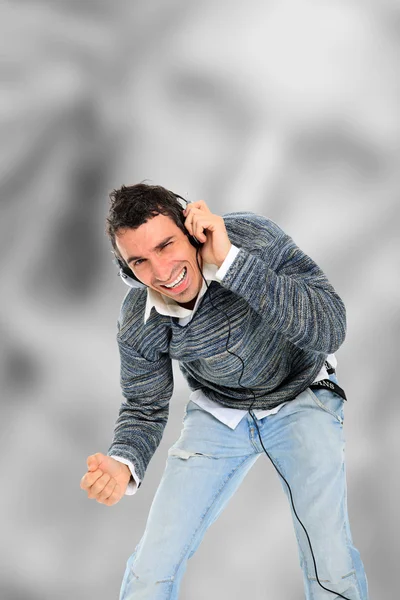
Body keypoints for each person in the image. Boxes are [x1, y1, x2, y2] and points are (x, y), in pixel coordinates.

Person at [80, 182, 369, 599]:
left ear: (191, 227)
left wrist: (233, 264)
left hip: (301, 394)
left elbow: (331, 326)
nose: (161, 272)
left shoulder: (254, 238)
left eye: (165, 245)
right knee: (150, 569)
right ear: (127, 269)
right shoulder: (139, 319)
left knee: (329, 563)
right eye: (140, 261)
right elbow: (144, 404)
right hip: (220, 414)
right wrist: (124, 461)